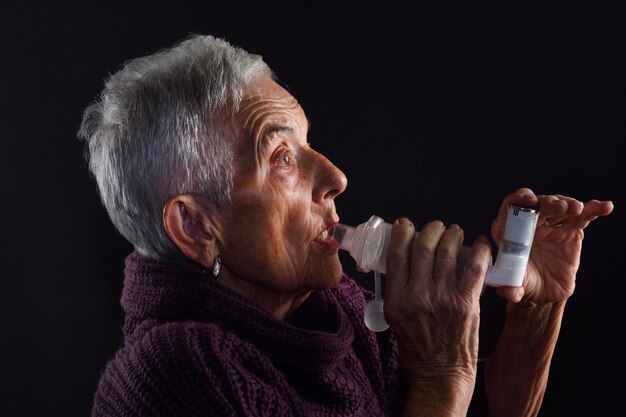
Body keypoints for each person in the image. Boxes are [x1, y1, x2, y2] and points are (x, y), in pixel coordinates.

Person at [78, 34, 613, 417]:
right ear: (195, 226)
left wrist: (537, 310)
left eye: (310, 143)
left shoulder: (340, 315)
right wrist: (440, 376)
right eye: (283, 157)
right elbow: (448, 393)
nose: (335, 177)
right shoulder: (172, 377)